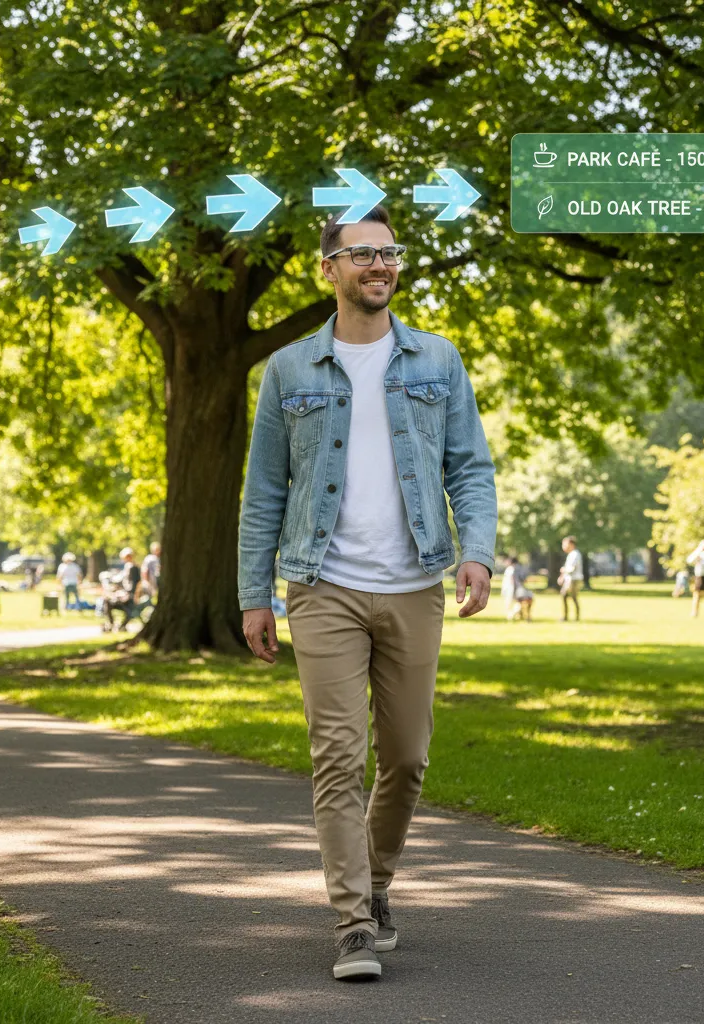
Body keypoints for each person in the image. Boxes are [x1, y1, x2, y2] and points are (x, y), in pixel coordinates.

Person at [237, 205, 496, 981]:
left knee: (407, 759)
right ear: (330, 270)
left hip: (416, 582)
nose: (379, 266)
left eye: (389, 253)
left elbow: (469, 468)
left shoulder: (437, 360)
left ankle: (378, 884)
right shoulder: (289, 369)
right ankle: (351, 922)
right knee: (337, 756)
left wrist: (475, 551)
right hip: (323, 586)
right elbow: (263, 492)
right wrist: (256, 593)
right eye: (362, 256)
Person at [558, 535, 583, 622]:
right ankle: (570, 616)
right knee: (568, 596)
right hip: (570, 579)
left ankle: (572, 617)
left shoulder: (575, 554)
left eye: (565, 544)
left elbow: (572, 568)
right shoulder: (571, 555)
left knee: (570, 596)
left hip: (574, 579)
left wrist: (564, 570)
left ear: (571, 544)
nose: (563, 546)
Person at [502, 556, 533, 621]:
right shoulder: (518, 568)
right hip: (516, 589)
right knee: (519, 603)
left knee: (517, 603)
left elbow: (512, 579)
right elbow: (523, 579)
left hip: (512, 589)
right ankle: (514, 615)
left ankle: (512, 615)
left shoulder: (510, 568)